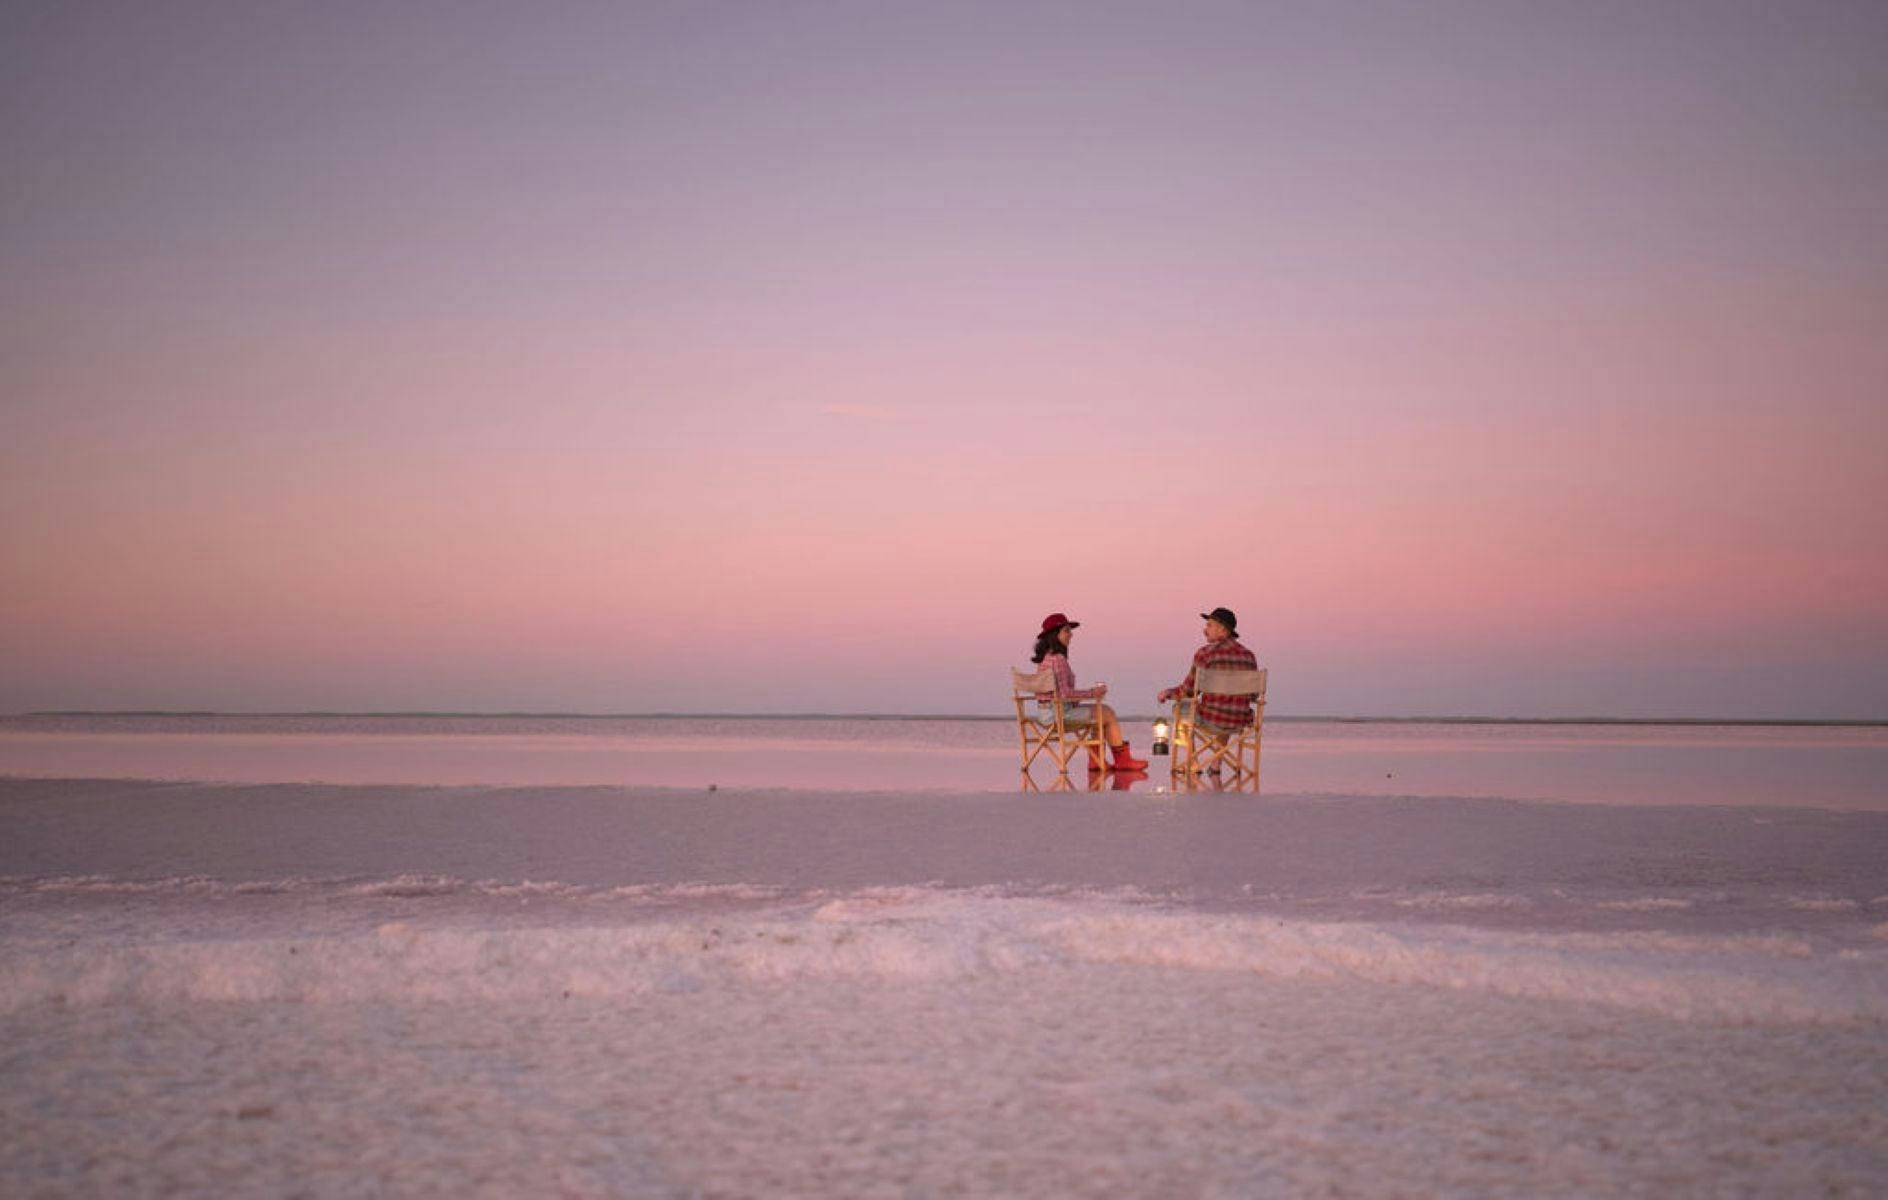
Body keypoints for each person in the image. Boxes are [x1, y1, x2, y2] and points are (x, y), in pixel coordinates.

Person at [1031, 613, 1148, 772]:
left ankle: (1096, 761)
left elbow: (1056, 694)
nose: (1071, 635)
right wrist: (1093, 693)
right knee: (1108, 712)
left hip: (1044, 715)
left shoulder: (1046, 659)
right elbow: (1065, 694)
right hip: (1059, 715)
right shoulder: (1058, 659)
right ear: (1054, 635)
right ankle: (1122, 761)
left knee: (1098, 714)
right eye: (1066, 631)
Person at [1158, 607, 1259, 763]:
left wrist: (1167, 693)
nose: (1205, 630)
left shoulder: (1206, 654)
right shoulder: (1249, 656)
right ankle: (1215, 766)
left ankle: (1193, 762)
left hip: (1212, 719)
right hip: (1240, 721)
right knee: (1225, 710)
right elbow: (1254, 695)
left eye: (1209, 625)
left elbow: (1188, 691)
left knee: (1180, 708)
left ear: (1223, 630)